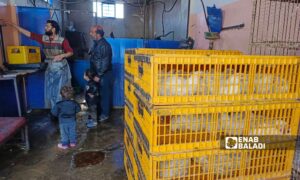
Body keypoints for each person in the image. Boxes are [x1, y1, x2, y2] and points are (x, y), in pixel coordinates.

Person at [4, 20, 74, 109]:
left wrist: (62, 55)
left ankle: (61, 111)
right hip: (50, 67)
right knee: (49, 91)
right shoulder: (44, 38)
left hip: (60, 68)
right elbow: (29, 34)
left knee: (60, 91)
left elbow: (70, 52)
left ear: (53, 29)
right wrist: (13, 25)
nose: (45, 28)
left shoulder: (62, 40)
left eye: (47, 26)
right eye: (45, 26)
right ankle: (53, 110)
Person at [89, 25, 113, 122]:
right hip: (97, 74)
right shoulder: (97, 43)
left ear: (98, 33)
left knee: (104, 94)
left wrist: (99, 75)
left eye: (92, 32)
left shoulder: (104, 45)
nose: (90, 34)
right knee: (99, 94)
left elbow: (105, 63)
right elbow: (96, 58)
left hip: (104, 75)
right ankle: (101, 112)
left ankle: (105, 114)